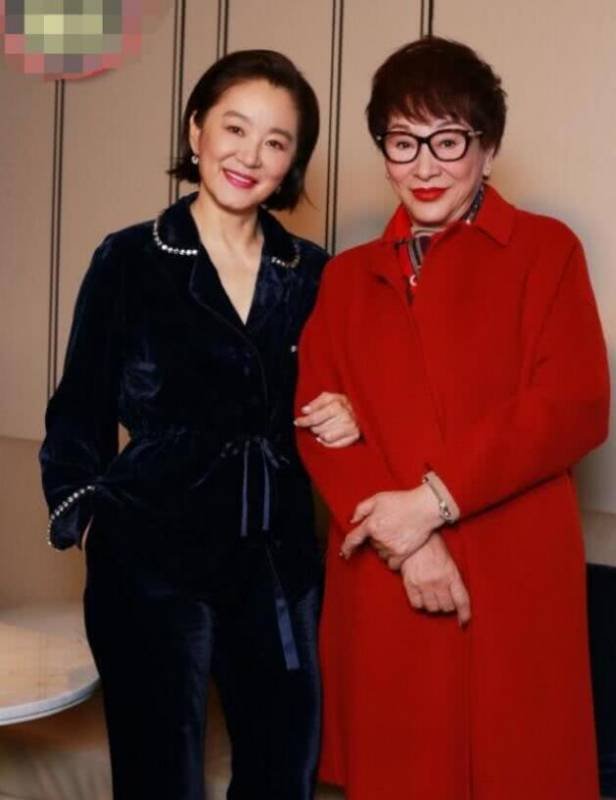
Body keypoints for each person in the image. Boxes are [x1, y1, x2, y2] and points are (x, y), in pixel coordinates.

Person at [295, 37, 609, 800]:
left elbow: (573, 404)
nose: (425, 165)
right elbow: (316, 430)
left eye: (449, 140)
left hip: (511, 570)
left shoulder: (546, 251)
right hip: (385, 577)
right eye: (403, 142)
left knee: (518, 768)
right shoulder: (346, 278)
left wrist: (432, 502)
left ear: (487, 149)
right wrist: (409, 544)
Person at [40, 49, 360, 800]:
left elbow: (351, 393)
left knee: (284, 769)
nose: (250, 156)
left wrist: (350, 411)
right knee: (160, 777)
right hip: (149, 558)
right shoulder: (129, 258)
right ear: (196, 131)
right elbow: (78, 409)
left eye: (276, 142)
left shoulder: (317, 274)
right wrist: (89, 521)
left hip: (277, 561)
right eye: (235, 128)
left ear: (293, 162)